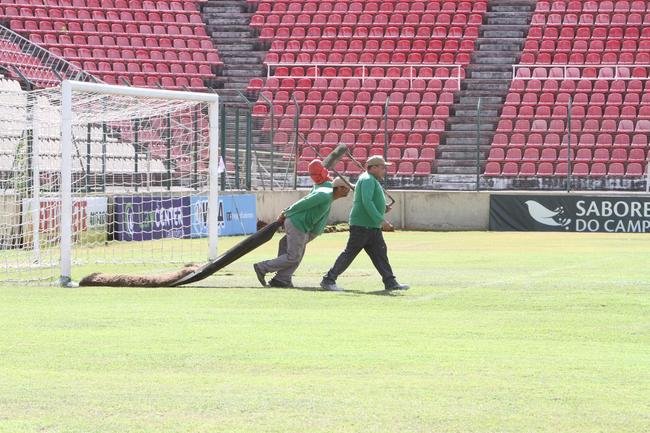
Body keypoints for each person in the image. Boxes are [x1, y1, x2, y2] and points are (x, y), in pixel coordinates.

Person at [320, 155, 409, 292]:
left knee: (380, 254)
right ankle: (328, 280)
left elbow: (370, 200)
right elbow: (367, 202)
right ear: (373, 168)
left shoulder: (369, 179)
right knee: (350, 254)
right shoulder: (368, 179)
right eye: (382, 167)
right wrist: (381, 220)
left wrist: (382, 207)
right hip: (363, 226)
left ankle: (390, 282)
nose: (384, 170)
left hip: (370, 226)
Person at [254, 177, 352, 288]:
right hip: (298, 224)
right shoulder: (324, 195)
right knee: (294, 257)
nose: (349, 190)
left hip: (301, 225)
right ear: (339, 188)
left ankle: (282, 279)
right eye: (347, 188)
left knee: (295, 254)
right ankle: (262, 267)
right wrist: (285, 213)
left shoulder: (328, 197)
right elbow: (303, 203)